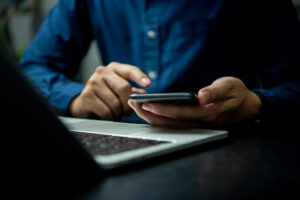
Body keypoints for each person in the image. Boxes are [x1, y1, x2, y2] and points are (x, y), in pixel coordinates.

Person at [20, 0, 300, 128]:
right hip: (126, 138)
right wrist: (77, 100)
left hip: (231, 148)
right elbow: (33, 69)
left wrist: (255, 105)